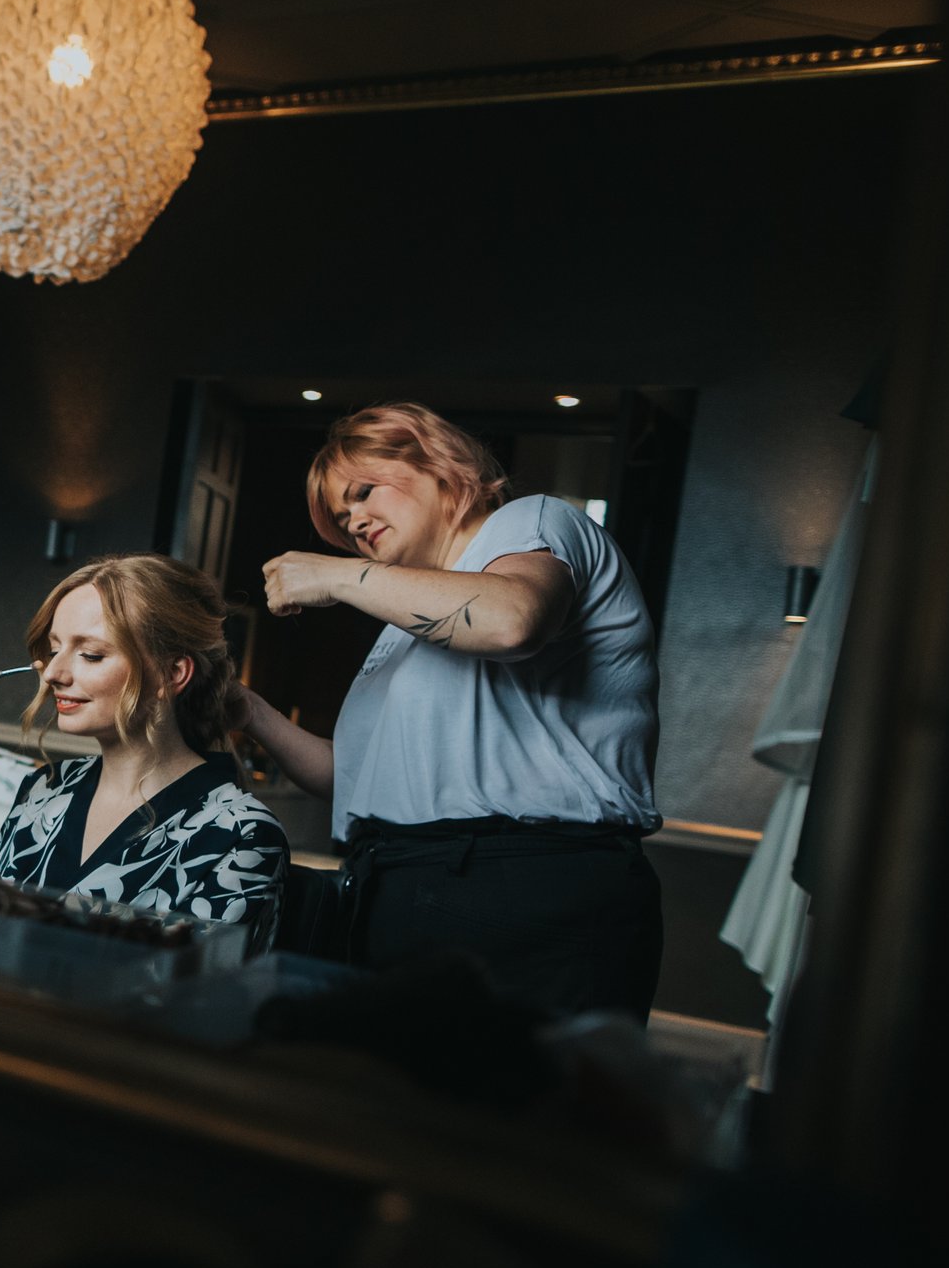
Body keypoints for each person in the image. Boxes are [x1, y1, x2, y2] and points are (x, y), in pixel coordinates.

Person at [240, 401, 662, 1018]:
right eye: (341, 515)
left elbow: (512, 621)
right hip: (399, 883)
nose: (354, 519)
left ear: (441, 467)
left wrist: (339, 577)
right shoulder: (407, 622)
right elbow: (351, 777)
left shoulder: (532, 520)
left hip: (522, 885)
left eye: (363, 492)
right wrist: (245, 708)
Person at [0, 554, 289, 952]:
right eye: (54, 650)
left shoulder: (244, 835)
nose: (53, 673)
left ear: (171, 674)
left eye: (91, 654)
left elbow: (185, 997)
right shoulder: (45, 789)